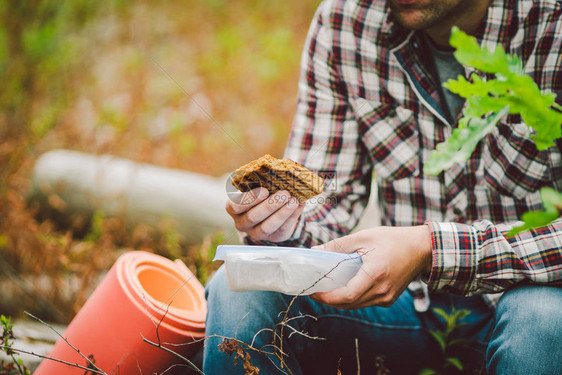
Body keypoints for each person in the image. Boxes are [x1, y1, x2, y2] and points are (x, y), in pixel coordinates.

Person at [203, 0, 562, 373]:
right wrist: (280, 225)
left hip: (530, 314)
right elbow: (323, 205)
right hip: (408, 311)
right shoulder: (347, 21)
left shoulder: (552, 24)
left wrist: (429, 248)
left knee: (544, 318)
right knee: (237, 292)